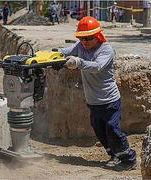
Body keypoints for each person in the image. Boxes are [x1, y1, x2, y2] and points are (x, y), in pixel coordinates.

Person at [57, 16, 137, 171]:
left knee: (112, 129)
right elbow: (64, 52)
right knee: (99, 130)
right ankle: (114, 155)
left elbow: (97, 66)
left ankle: (129, 159)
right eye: (82, 38)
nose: (85, 41)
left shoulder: (106, 49)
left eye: (89, 38)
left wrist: (79, 62)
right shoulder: (80, 46)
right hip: (93, 101)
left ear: (98, 36)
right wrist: (50, 54)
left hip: (110, 100)